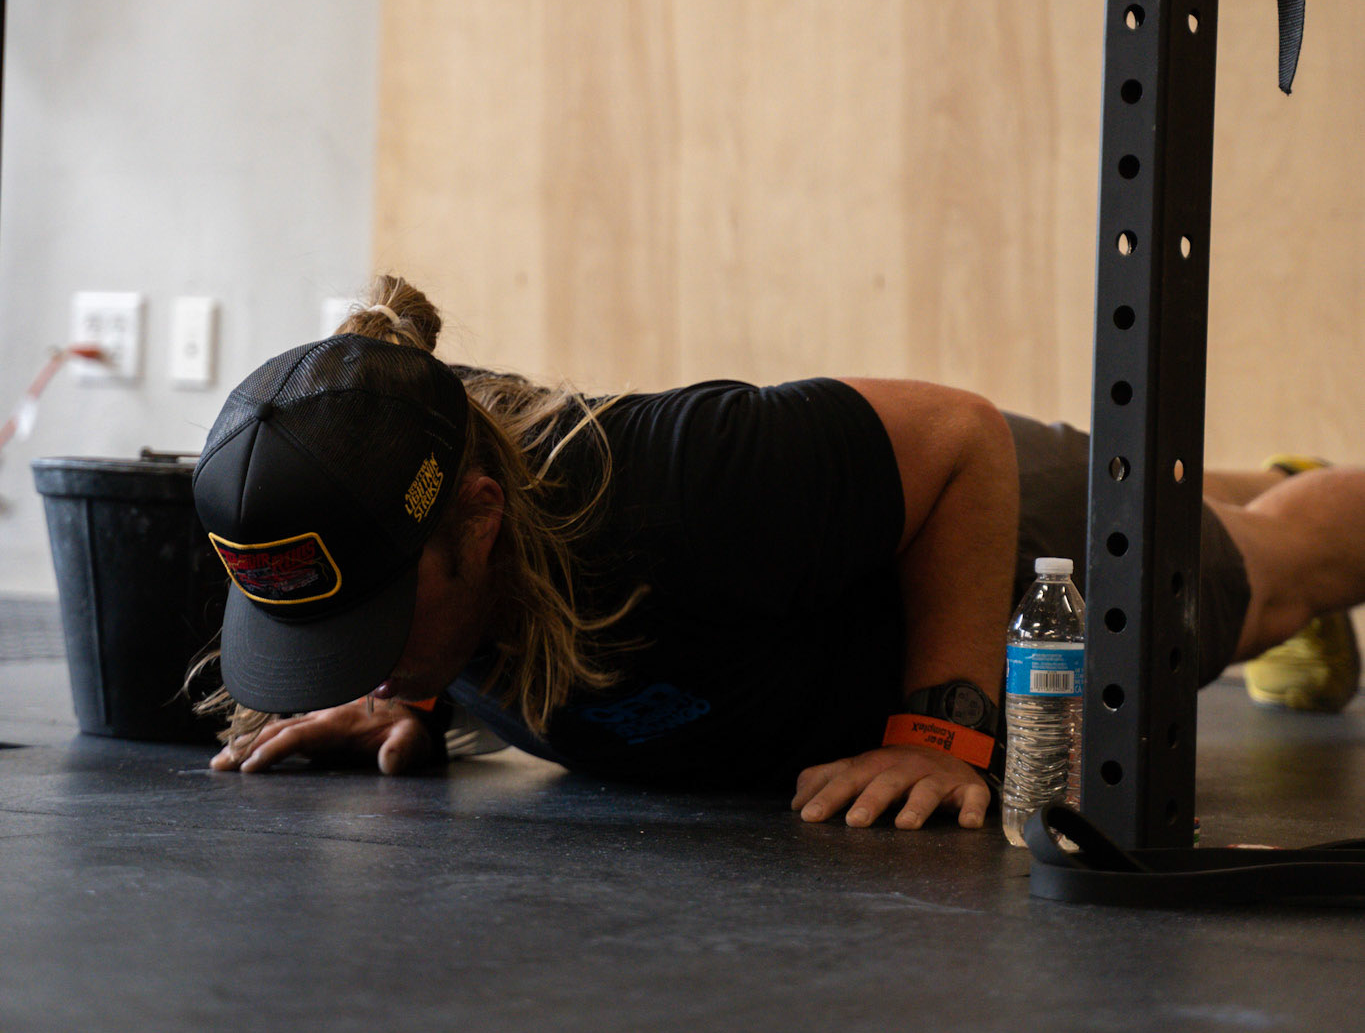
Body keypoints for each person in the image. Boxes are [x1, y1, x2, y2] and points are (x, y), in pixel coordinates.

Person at [194, 276, 1363, 832]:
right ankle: (1253, 478)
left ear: (481, 518)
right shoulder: (441, 529)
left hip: (1003, 546)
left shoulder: (674, 479)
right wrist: (409, 682)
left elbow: (956, 438)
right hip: (872, 520)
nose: (358, 654)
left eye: (377, 616)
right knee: (1187, 496)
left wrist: (941, 730)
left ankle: (1285, 519)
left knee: (1276, 568)